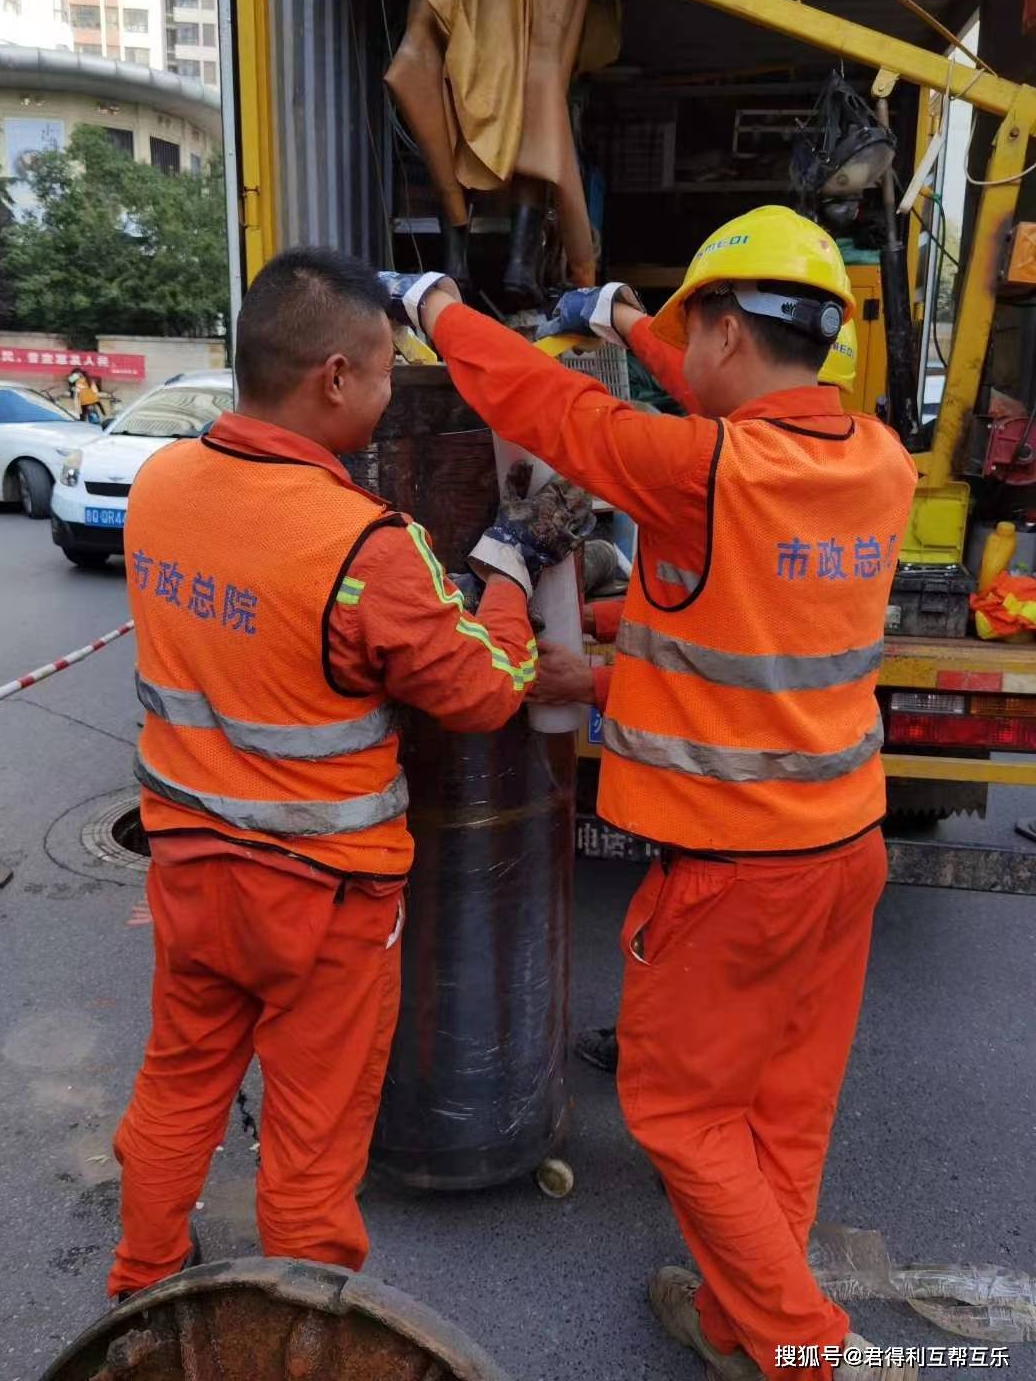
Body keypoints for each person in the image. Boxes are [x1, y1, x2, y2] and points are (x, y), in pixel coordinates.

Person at [380, 206, 919, 1381]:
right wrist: (622, 315)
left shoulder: (708, 472)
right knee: (782, 1109)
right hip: (845, 852)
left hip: (737, 875)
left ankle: (807, 1352)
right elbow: (742, 620)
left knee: (680, 1117)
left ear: (726, 326)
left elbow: (554, 412)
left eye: (696, 330)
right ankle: (739, 1319)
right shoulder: (876, 459)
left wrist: (432, 304)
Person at [110, 246, 591, 1301]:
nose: (386, 394)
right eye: (383, 372)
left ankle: (140, 1285)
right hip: (322, 904)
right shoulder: (364, 548)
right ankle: (303, 1329)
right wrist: (510, 560)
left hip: (191, 871)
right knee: (313, 1147)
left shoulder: (160, 490)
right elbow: (487, 687)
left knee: (179, 1088)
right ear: (334, 377)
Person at [548, 316, 864, 1077]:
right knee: (767, 1045)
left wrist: (434, 307)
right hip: (822, 833)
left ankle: (691, 1113)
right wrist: (623, 317)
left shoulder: (736, 476)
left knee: (688, 1104)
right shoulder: (854, 473)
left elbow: (714, 695)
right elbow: (718, 609)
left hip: (739, 838)